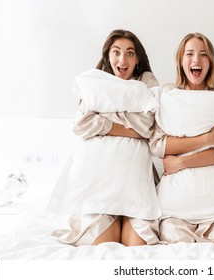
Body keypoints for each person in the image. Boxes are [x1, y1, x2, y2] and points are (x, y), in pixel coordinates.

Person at [47, 29, 161, 246]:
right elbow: (82, 124)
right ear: (108, 56)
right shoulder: (95, 83)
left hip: (135, 186)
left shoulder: (146, 82)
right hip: (99, 186)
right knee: (102, 247)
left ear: (137, 59)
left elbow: (147, 126)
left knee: (138, 246)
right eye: (116, 52)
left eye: (129, 53)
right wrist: (127, 120)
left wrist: (104, 119)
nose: (122, 59)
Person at [150, 33, 214, 244]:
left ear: (211, 62)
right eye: (189, 54)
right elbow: (159, 145)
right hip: (178, 206)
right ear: (181, 61)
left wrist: (181, 161)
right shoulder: (169, 95)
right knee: (173, 236)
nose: (196, 60)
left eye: (203, 55)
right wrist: (208, 138)